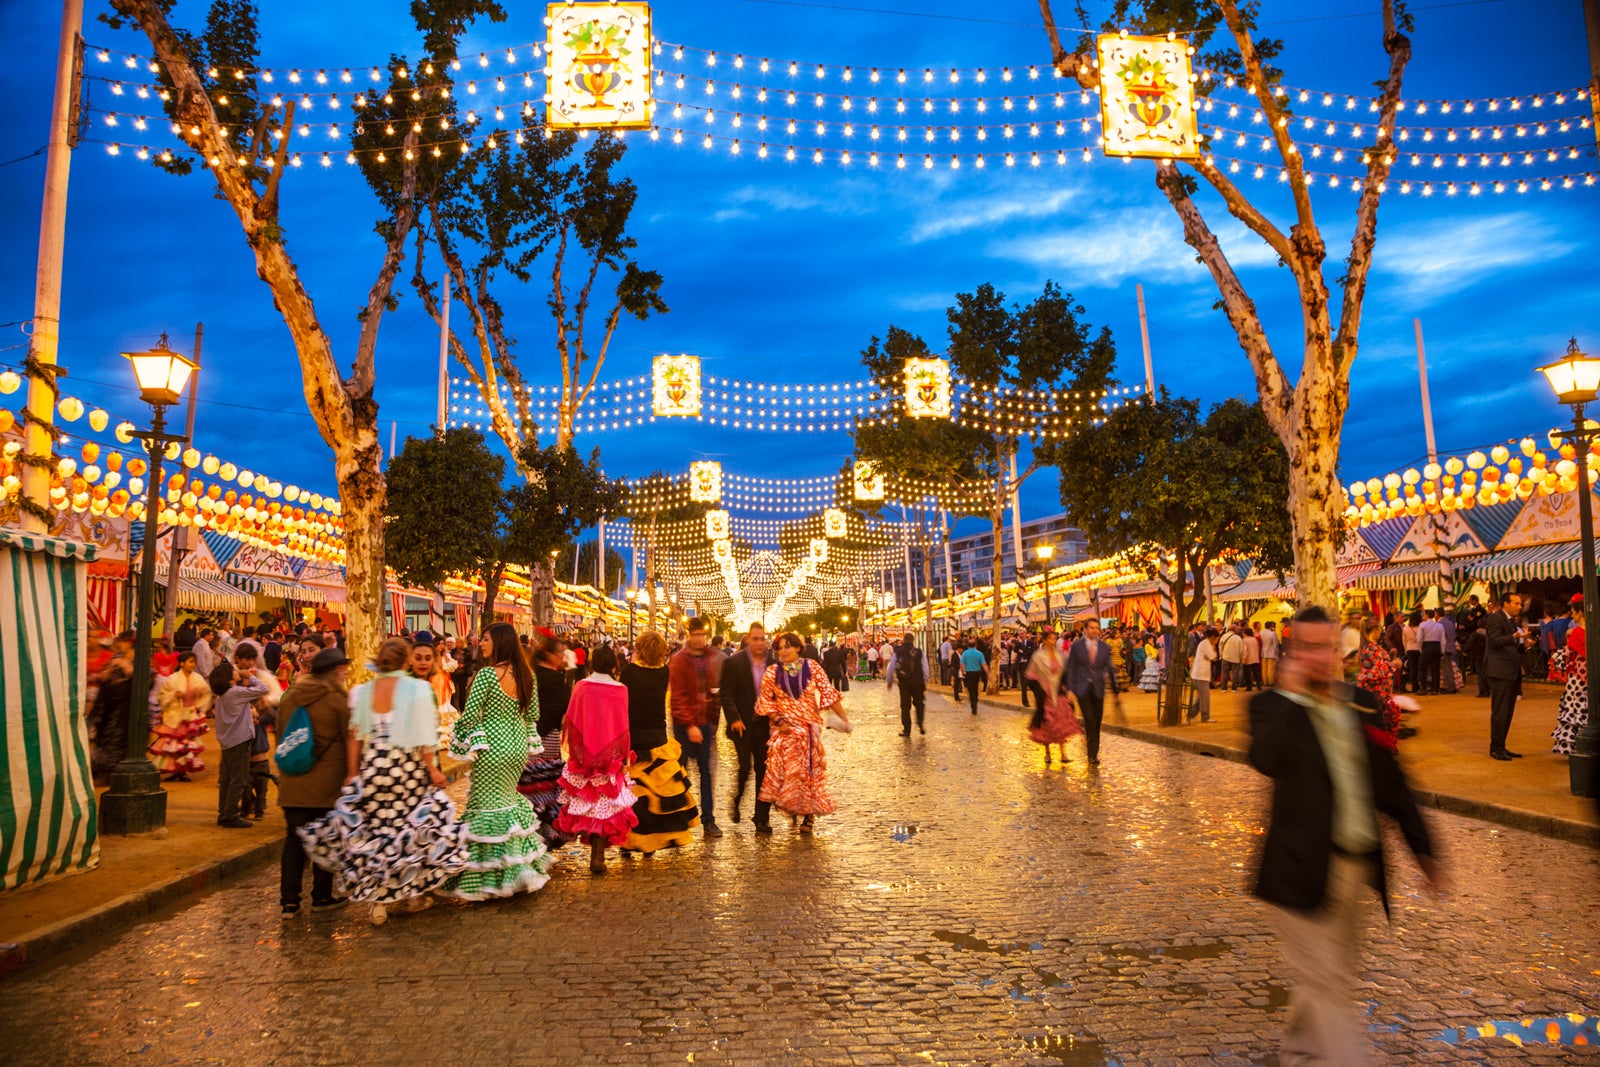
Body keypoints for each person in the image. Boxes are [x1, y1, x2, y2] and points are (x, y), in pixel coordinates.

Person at [1247, 606, 1440, 1065]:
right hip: (1297, 869)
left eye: (1326, 646)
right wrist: (1294, 699)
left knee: (1328, 977)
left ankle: (1299, 1053)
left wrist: (1424, 849)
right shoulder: (1269, 706)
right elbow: (1266, 760)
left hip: (1354, 868)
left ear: (1338, 649)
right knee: (1327, 980)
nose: (1319, 656)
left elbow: (1391, 783)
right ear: (1292, 649)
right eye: (1307, 647)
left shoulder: (1361, 703)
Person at [301, 638, 467, 925]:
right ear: (406, 662)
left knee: (379, 833)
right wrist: (432, 769)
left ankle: (378, 902)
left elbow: (355, 734)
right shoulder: (416, 689)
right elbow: (425, 736)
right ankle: (413, 894)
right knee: (411, 831)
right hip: (406, 769)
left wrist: (353, 771)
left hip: (375, 768)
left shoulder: (363, 692)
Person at [441, 622, 552, 901]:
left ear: (500, 642)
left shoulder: (487, 676)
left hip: (491, 747)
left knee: (485, 806)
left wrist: (459, 738)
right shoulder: (528, 676)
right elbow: (533, 713)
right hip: (516, 746)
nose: (482, 644)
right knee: (507, 803)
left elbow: (470, 713)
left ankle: (490, 877)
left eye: (487, 639)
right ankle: (515, 870)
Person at [276, 647, 351, 917]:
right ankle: (321, 896)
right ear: (332, 672)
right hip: (326, 785)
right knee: (325, 838)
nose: (344, 672)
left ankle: (289, 901)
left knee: (294, 841)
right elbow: (349, 740)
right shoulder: (337, 701)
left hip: (293, 781)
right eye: (341, 669)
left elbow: (280, 736)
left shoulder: (290, 697)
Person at [555, 645, 639, 874]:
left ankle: (596, 853)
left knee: (589, 805)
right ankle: (598, 855)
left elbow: (571, 720)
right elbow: (623, 726)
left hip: (584, 756)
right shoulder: (621, 689)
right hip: (609, 757)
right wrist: (622, 756)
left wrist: (576, 751)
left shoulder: (581, 687)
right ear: (614, 664)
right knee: (605, 806)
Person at [757, 632, 847, 833]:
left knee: (807, 773)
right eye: (780, 648)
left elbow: (828, 692)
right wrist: (778, 720)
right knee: (786, 772)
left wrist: (844, 718)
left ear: (798, 648)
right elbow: (765, 700)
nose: (783, 651)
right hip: (784, 730)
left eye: (787, 646)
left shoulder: (812, 667)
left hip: (808, 729)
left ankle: (808, 816)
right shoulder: (772, 672)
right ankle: (791, 804)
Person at [621, 631, 701, 852]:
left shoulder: (629, 671)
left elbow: (622, 701)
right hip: (657, 735)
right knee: (658, 790)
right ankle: (654, 840)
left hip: (634, 735)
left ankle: (631, 839)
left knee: (635, 791)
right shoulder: (663, 672)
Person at [669, 617, 724, 839]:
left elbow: (713, 690)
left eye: (703, 634)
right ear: (689, 635)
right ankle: (677, 819)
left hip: (705, 723)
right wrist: (690, 724)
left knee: (706, 773)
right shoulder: (679, 660)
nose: (700, 638)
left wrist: (712, 722)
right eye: (697, 634)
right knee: (679, 773)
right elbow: (678, 697)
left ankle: (708, 820)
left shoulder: (711, 656)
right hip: (685, 726)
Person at [519, 631, 572, 848]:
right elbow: (561, 707)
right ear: (548, 655)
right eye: (559, 652)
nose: (562, 656)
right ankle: (543, 831)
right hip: (545, 736)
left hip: (533, 736)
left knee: (534, 784)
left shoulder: (534, 674)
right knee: (544, 785)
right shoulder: (549, 677)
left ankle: (535, 831)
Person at [721, 624, 775, 829]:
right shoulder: (733, 663)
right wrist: (734, 718)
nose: (760, 642)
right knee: (745, 768)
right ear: (748, 640)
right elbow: (726, 693)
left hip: (763, 725)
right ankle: (737, 800)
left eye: (763, 638)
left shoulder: (773, 663)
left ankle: (761, 817)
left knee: (764, 770)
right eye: (755, 639)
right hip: (741, 725)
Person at [208, 646, 269, 829]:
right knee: (239, 779)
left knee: (227, 778)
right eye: (233, 671)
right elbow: (263, 688)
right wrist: (249, 676)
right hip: (239, 742)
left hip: (227, 742)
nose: (237, 670)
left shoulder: (221, 697)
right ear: (229, 679)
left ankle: (223, 812)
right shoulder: (235, 692)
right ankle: (230, 815)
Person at [148, 648, 212, 782]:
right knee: (174, 744)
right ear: (182, 663)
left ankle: (182, 771)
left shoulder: (197, 678)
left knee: (187, 744)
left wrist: (200, 694)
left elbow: (206, 693)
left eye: (194, 662)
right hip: (176, 716)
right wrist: (174, 695)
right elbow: (162, 695)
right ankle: (175, 770)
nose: (193, 665)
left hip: (190, 716)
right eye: (190, 662)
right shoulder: (172, 679)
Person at [1064, 618, 1115, 766]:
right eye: (1091, 628)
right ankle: (1090, 753)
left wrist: (1115, 689)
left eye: (1096, 628)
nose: (1094, 630)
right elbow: (1071, 667)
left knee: (1097, 720)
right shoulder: (1077, 646)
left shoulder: (1104, 647)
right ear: (1085, 629)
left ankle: (1094, 752)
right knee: (1089, 720)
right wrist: (1070, 689)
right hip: (1082, 688)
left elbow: (1109, 667)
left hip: (1098, 688)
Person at [1026, 627, 1081, 765]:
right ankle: (1047, 753)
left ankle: (1063, 753)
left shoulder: (1060, 655)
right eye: (1051, 638)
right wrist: (1039, 689)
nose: (1054, 641)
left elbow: (1065, 673)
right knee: (1047, 723)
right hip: (1045, 693)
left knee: (1060, 721)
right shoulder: (1038, 656)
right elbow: (1030, 674)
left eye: (1055, 638)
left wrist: (1066, 688)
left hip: (1058, 692)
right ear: (1044, 641)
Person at [87, 631, 137, 778]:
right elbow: (105, 679)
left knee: (114, 740)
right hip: (109, 707)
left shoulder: (131, 661)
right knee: (103, 737)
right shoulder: (115, 659)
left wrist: (125, 670)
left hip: (123, 710)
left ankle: (112, 771)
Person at [1484, 592, 1526, 761]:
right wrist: (1513, 637)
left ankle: (1501, 745)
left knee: (1507, 711)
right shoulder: (1496, 618)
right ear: (1505, 604)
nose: (1519, 607)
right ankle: (1496, 748)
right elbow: (1494, 640)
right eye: (1516, 603)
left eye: (1520, 604)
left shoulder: (1510, 620)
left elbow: (1509, 643)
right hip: (1500, 672)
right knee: (1500, 711)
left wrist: (1523, 643)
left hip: (1509, 671)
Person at [1356, 616, 1402, 749]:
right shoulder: (1373, 648)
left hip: (1368, 692)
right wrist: (1393, 664)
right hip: (1378, 693)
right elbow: (1376, 672)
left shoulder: (1363, 647)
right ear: (1375, 630)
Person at [1553, 594, 1588, 755]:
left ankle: (1575, 744)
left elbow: (1567, 655)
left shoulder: (1577, 633)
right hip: (1589, 676)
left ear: (1579, 613)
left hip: (1577, 677)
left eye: (1573, 612)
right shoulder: (1591, 630)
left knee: (1574, 709)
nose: (1572, 616)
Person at [885, 632, 931, 737]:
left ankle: (907, 730)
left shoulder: (898, 651)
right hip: (918, 682)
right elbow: (925, 667)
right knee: (919, 704)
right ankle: (920, 722)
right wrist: (925, 680)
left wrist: (889, 681)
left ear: (904, 640)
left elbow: (891, 666)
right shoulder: (919, 652)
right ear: (913, 641)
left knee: (905, 706)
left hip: (904, 682)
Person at [1189, 627, 1219, 724]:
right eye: (1216, 639)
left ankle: (1190, 714)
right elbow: (1213, 657)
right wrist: (1214, 648)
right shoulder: (1206, 644)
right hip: (1200, 675)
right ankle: (1205, 717)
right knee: (1205, 697)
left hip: (1200, 674)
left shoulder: (1204, 643)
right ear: (1213, 637)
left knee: (1200, 697)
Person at [1418, 609, 1445, 695]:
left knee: (1422, 668)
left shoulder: (1422, 625)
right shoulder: (1439, 625)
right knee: (1435, 669)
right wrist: (1442, 651)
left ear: (1426, 615)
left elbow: (1419, 639)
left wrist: (1420, 649)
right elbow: (1443, 640)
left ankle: (1424, 689)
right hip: (1436, 646)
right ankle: (1435, 690)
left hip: (1426, 646)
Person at [959, 640, 987, 715]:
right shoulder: (979, 653)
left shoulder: (965, 653)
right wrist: (988, 673)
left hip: (968, 673)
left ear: (968, 645)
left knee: (970, 689)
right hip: (977, 673)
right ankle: (975, 699)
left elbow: (962, 664)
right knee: (975, 687)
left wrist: (962, 672)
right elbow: (984, 664)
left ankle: (973, 703)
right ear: (976, 645)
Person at [1260, 621, 1280, 687]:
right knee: (1270, 669)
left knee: (1264, 668)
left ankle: (1265, 682)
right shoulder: (1273, 634)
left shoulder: (1261, 633)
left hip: (1264, 652)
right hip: (1271, 653)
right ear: (1271, 626)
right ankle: (1271, 681)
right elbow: (1275, 645)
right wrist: (1277, 652)